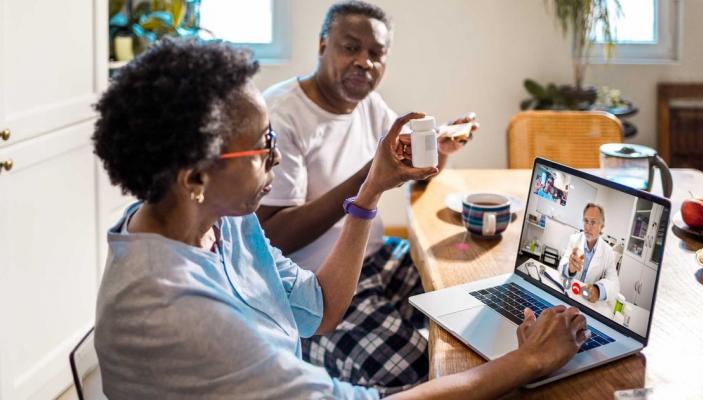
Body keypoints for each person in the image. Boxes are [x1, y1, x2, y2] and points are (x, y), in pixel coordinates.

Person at [92, 38, 589, 399]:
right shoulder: (177, 310)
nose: (277, 158)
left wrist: (371, 188)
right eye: (264, 146)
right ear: (195, 176)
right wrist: (528, 360)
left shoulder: (219, 221)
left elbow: (318, 308)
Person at [256, 1, 476, 391]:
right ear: (322, 45)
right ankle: (326, 357)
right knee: (420, 366)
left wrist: (439, 150)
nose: (364, 62)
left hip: (375, 259)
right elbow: (272, 235)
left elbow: (395, 168)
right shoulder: (282, 115)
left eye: (376, 53)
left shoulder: (369, 104)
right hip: (317, 287)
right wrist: (368, 178)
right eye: (350, 47)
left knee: (467, 304)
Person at [558, 203, 620, 303]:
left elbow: (614, 284)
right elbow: (562, 265)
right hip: (569, 292)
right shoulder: (574, 239)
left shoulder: (608, 252)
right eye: (586, 221)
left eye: (593, 222)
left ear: (602, 227)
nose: (588, 227)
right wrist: (570, 269)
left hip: (588, 300)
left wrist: (598, 290)